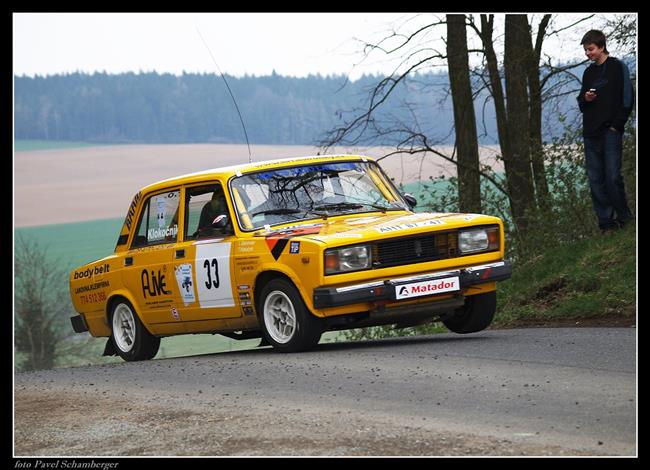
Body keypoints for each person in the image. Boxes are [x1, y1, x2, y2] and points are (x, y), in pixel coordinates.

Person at [577, 29, 634, 232]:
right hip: (590, 134)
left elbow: (628, 99)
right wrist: (586, 98)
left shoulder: (618, 67)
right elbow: (581, 103)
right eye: (586, 50)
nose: (588, 54)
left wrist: (616, 126)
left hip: (611, 132)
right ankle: (606, 224)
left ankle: (625, 218)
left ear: (601, 46)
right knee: (595, 180)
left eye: (590, 49)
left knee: (612, 177)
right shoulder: (588, 73)